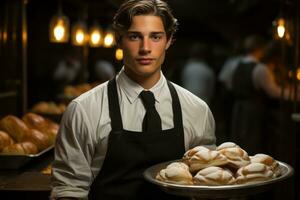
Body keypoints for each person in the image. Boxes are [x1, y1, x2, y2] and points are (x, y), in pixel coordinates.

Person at [51, 1, 216, 200]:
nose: (145, 48)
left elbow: (205, 184)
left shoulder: (197, 110)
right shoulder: (83, 109)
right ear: (119, 41)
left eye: (156, 37)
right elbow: (69, 189)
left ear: (169, 40)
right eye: (134, 36)